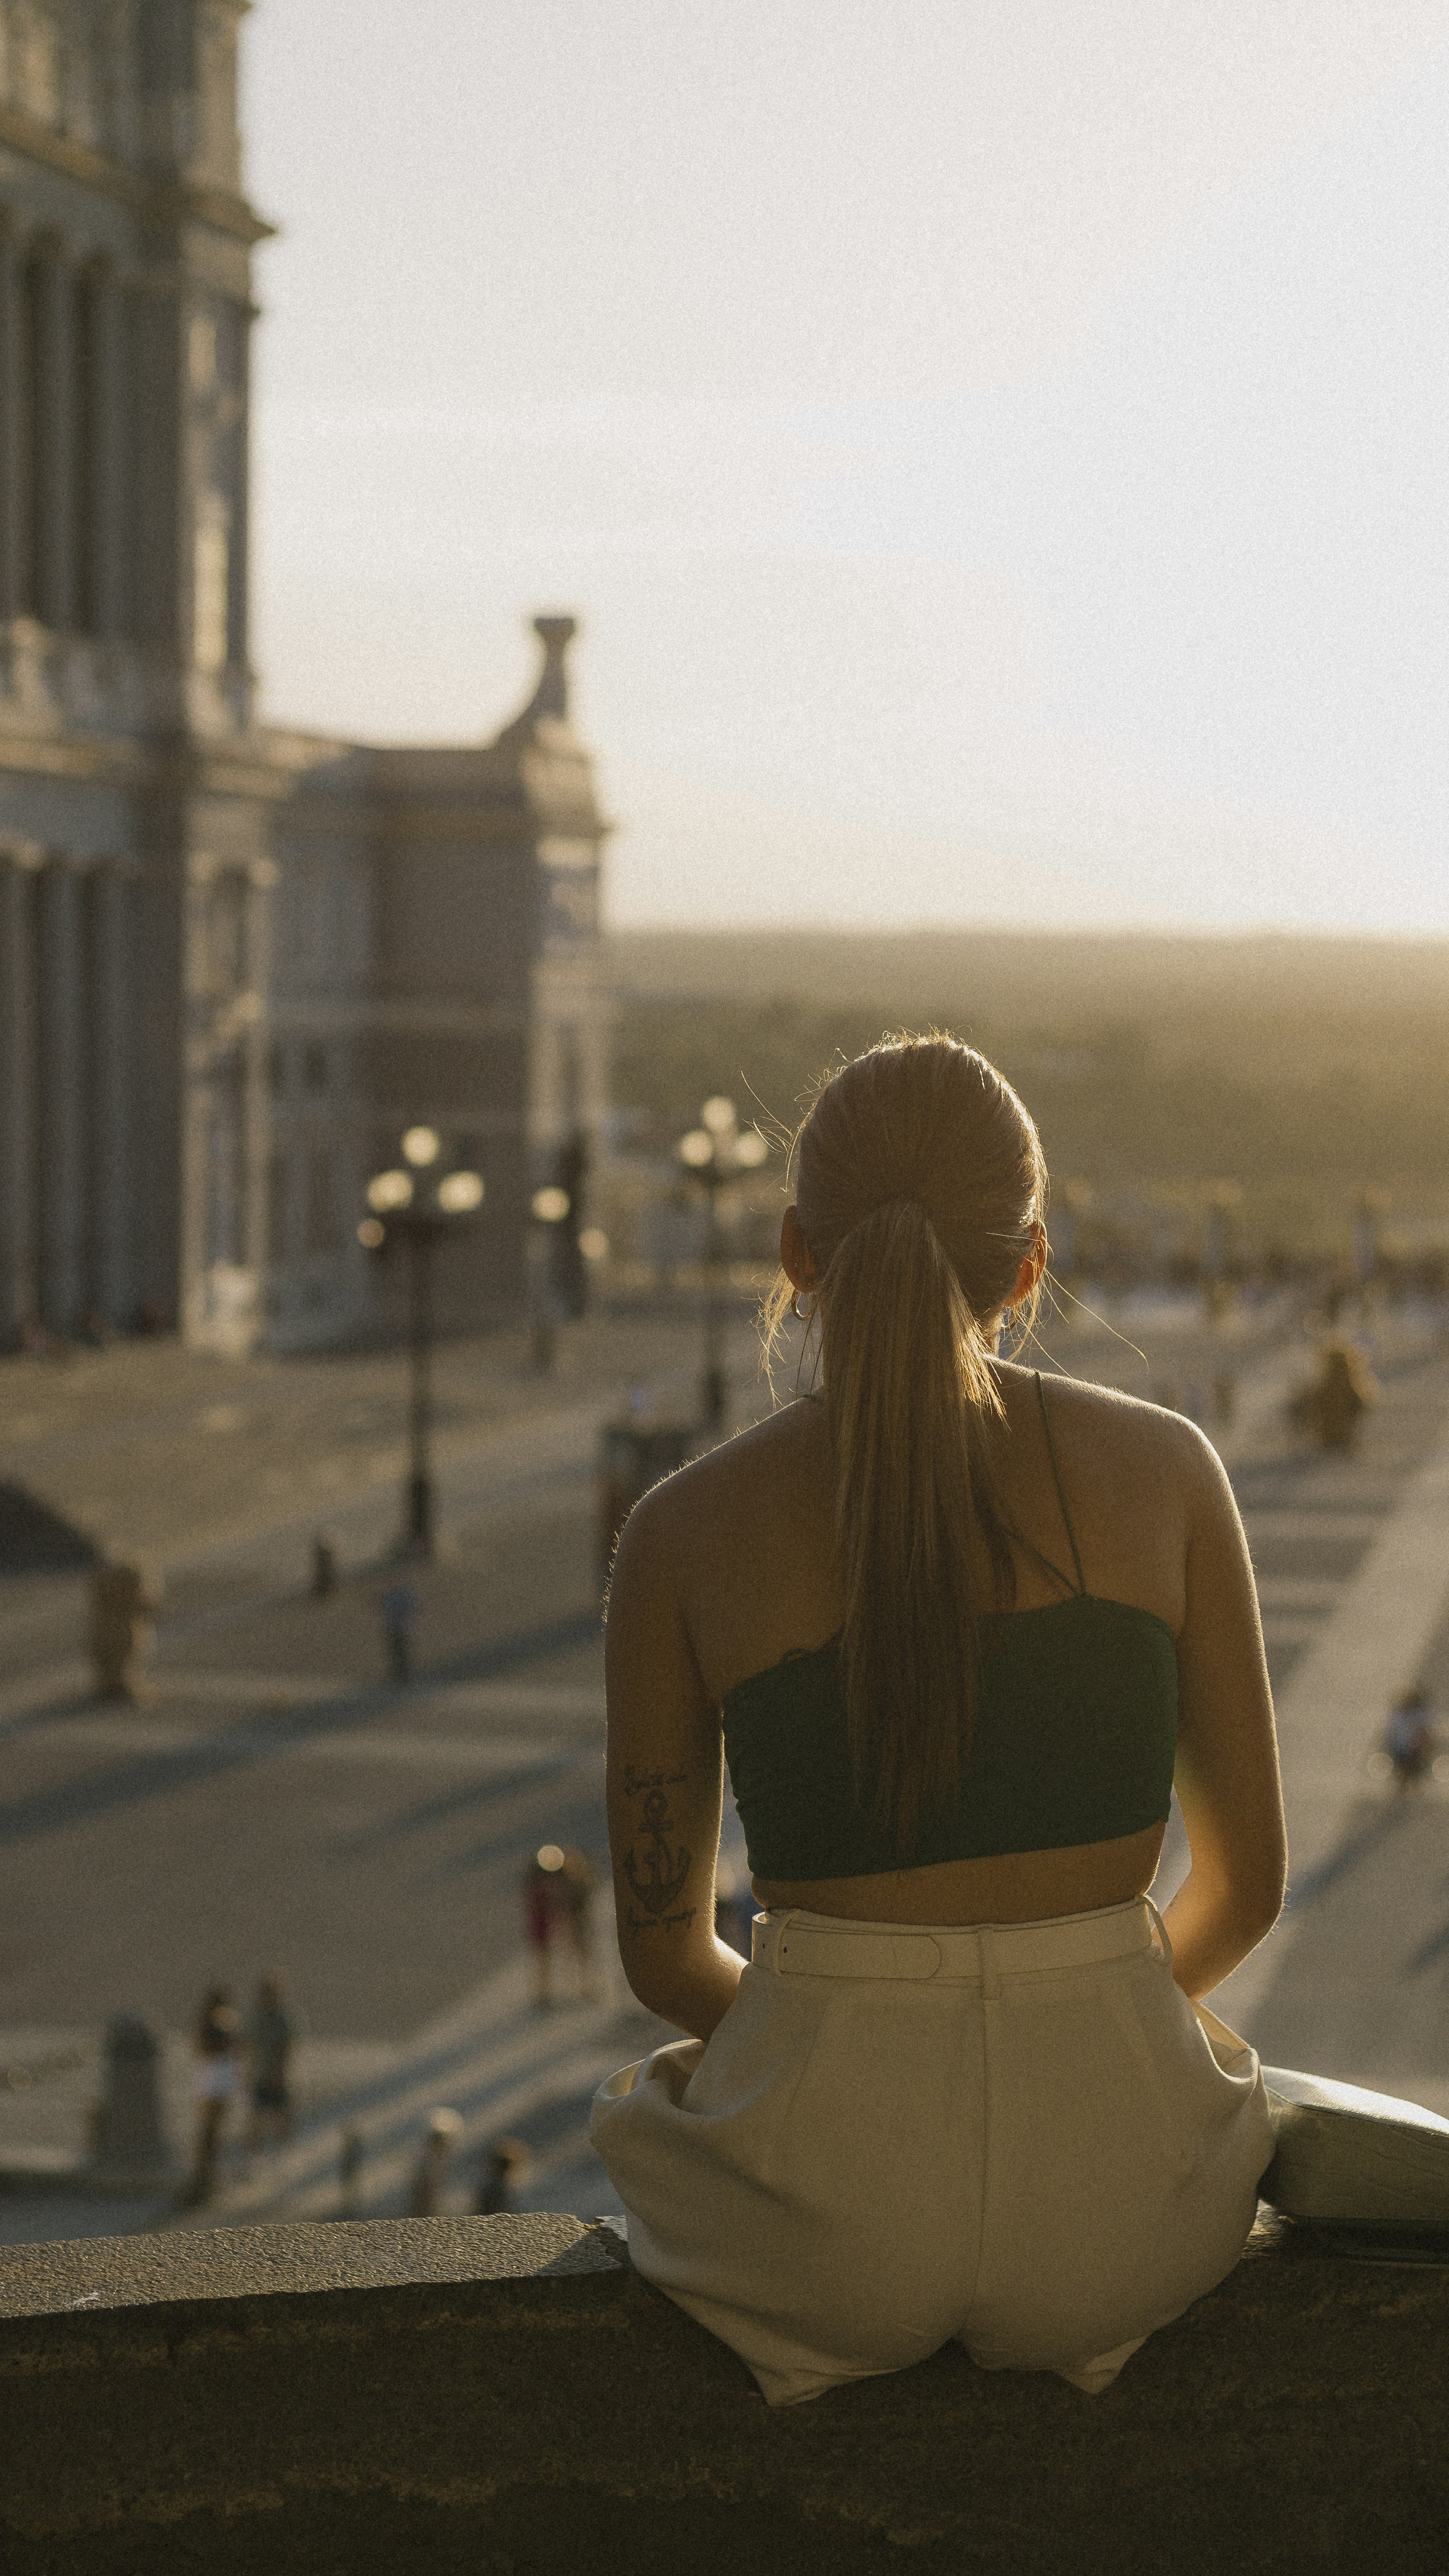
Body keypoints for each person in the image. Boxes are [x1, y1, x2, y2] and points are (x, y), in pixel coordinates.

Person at [591, 1035, 1285, 2407]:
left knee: (644, 2110)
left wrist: (849, 2037)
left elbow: (668, 1959)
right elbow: (1246, 1887)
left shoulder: (680, 1532)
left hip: (821, 2231)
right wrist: (1080, 2014)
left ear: (795, 1250)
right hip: (1124, 2216)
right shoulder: (1168, 1471)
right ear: (1029, 1263)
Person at [185, 1985, 241, 2205]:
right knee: (210, 2128)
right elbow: (204, 2048)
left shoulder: (222, 2023)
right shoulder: (214, 2025)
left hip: (218, 2078)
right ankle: (204, 2174)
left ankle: (207, 2173)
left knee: (214, 2129)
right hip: (214, 2079)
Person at [244, 1971, 295, 2154]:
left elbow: (286, 2047)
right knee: (257, 2116)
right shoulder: (257, 2018)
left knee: (280, 2115)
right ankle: (252, 2154)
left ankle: (284, 2152)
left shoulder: (281, 2019)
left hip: (276, 2075)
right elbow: (248, 2045)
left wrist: (279, 2073)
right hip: (260, 2073)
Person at [1385, 1690, 1437, 1792]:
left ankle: (1407, 1790)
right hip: (1403, 1748)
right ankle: (1407, 1790)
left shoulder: (1418, 1715)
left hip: (1414, 1749)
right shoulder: (1401, 1715)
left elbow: (1425, 1733)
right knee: (1407, 1771)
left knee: (1410, 1771)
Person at [377, 1581, 419, 1683]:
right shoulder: (402, 1595)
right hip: (399, 1628)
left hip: (397, 1628)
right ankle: (401, 1672)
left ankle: (401, 1672)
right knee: (399, 1651)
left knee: (399, 1651)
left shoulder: (393, 1596)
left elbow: (385, 1608)